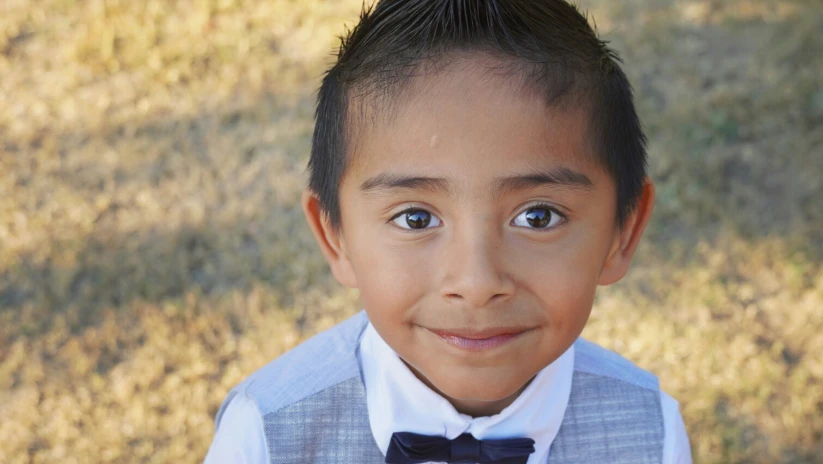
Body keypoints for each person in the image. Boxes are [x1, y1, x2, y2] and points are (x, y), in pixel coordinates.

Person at [204, 0, 692, 462]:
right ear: (337, 236)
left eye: (538, 216)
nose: (477, 285)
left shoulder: (653, 433)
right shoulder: (265, 436)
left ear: (621, 232)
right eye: (416, 219)